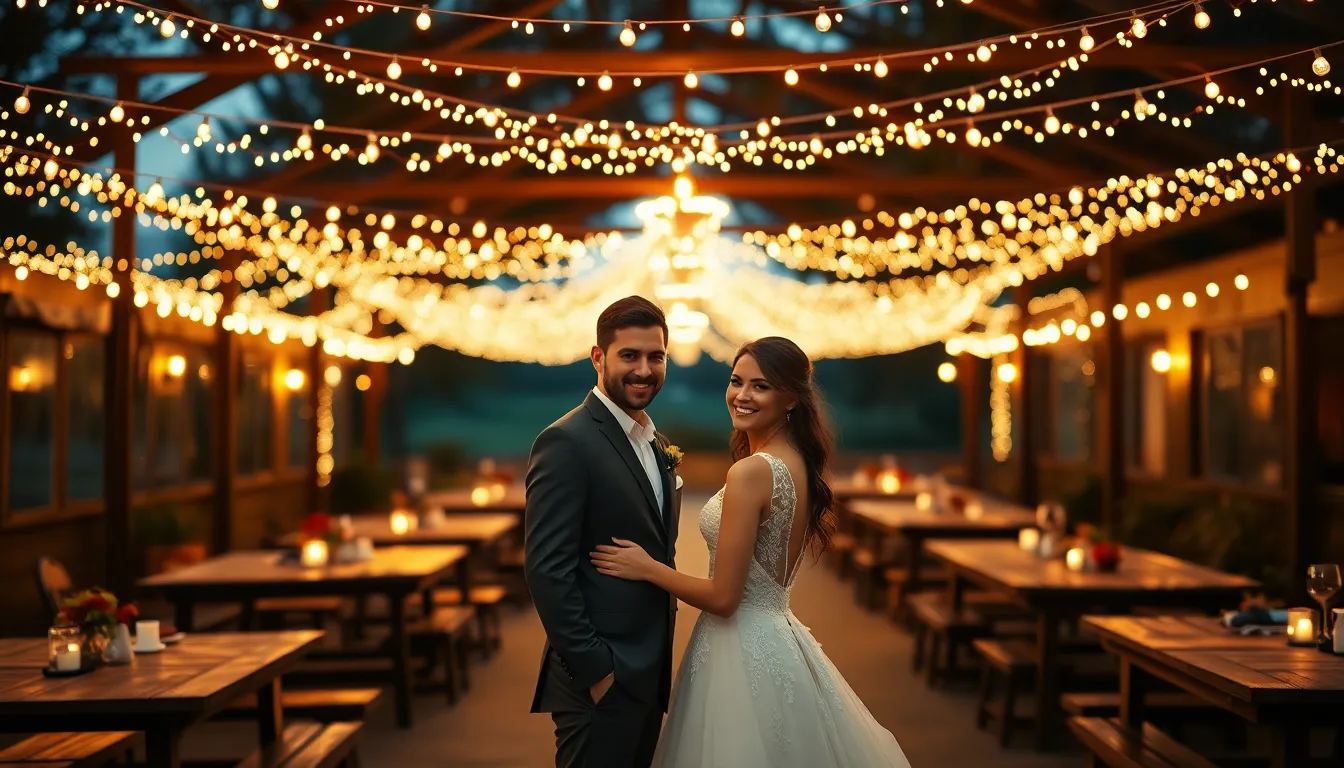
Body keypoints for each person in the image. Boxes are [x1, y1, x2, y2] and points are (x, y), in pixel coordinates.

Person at [591, 337, 912, 767]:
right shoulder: (797, 462)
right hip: (776, 633)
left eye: (760, 386)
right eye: (736, 381)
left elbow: (724, 598)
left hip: (740, 647)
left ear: (791, 399)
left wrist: (648, 568)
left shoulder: (751, 472)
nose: (741, 395)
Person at [524, 295, 682, 768]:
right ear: (599, 357)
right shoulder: (566, 441)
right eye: (629, 355)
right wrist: (597, 670)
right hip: (601, 678)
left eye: (656, 356)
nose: (644, 370)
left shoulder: (656, 443)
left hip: (648, 672)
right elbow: (546, 569)